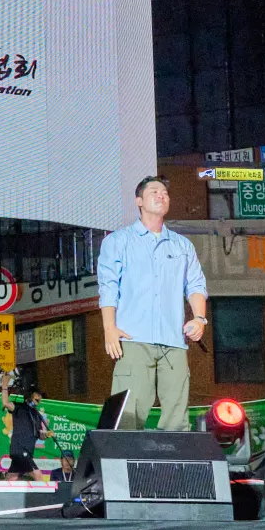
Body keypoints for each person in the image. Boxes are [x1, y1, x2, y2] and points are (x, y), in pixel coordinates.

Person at [98, 175, 208, 430]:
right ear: (139, 201)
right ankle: (126, 455)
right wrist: (109, 328)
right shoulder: (118, 241)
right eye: (154, 192)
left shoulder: (182, 245)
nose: (161, 196)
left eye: (165, 193)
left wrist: (199, 318)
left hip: (174, 341)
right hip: (133, 339)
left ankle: (175, 456)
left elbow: (196, 285)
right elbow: (108, 286)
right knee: (127, 415)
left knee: (177, 419)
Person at [4, 386, 56, 482]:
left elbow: (39, 434)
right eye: (36, 399)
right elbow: (5, 403)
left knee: (12, 477)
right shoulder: (19, 407)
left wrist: (46, 434)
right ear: (29, 397)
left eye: (39, 400)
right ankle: (42, 493)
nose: (38, 402)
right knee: (38, 476)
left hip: (27, 452)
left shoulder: (36, 414)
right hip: (21, 450)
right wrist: (4, 385)